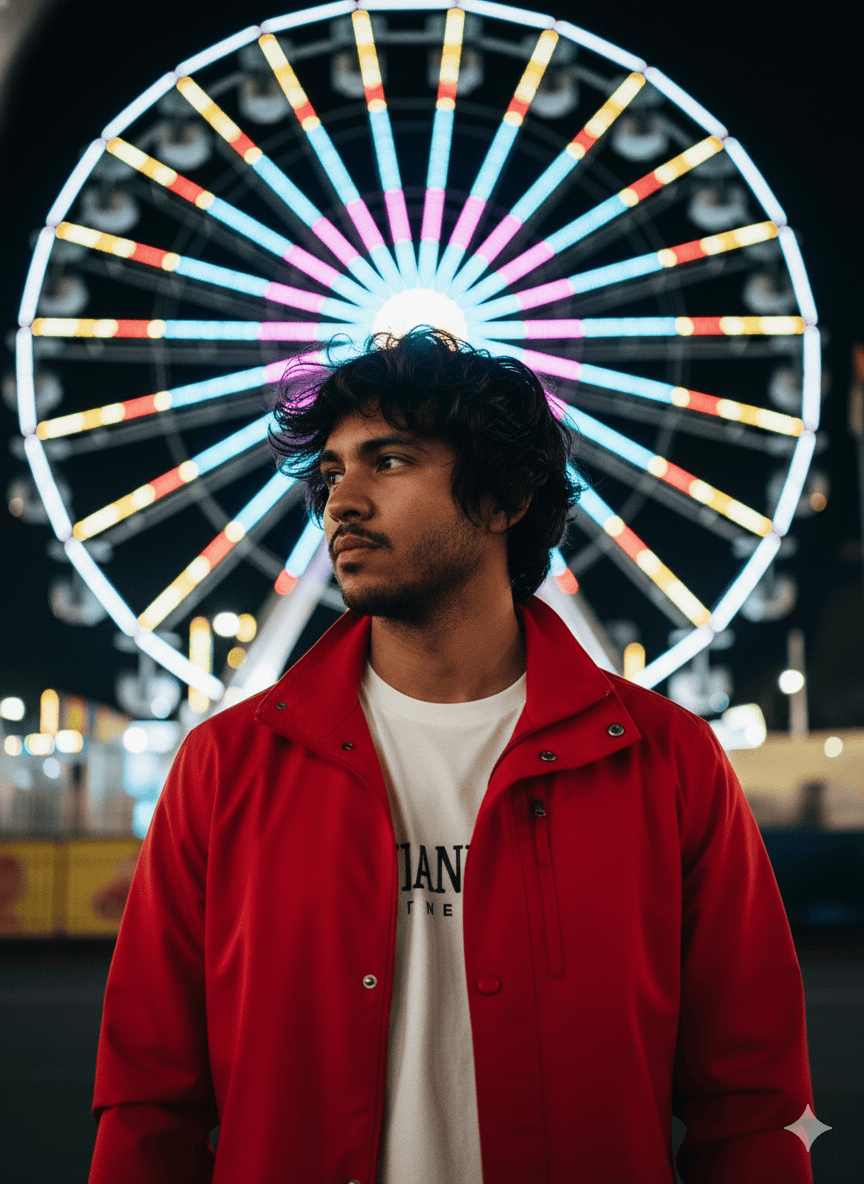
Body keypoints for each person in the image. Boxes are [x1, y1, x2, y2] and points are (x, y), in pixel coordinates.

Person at [89, 329, 816, 1183]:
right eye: (332, 472)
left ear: (505, 498)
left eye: (389, 461)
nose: (341, 502)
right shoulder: (225, 767)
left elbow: (752, 1104)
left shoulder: (669, 764)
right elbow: (150, 1103)